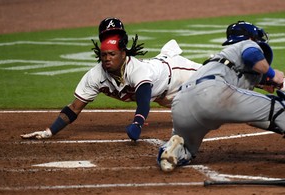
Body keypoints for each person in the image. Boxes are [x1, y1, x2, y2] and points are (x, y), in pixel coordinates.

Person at [21, 17, 201, 141]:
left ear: (123, 52)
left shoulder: (137, 69)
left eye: (112, 54)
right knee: (204, 107)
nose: (107, 58)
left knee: (219, 78)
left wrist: (137, 123)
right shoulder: (96, 75)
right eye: (104, 54)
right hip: (164, 97)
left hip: (177, 73)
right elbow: (74, 108)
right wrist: (49, 131)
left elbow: (144, 100)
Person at [157, 20, 285, 172]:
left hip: (181, 104)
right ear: (251, 37)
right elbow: (252, 56)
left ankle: (172, 150)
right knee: (277, 106)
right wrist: (273, 74)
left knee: (187, 150)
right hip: (212, 93)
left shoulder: (217, 64)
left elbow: (251, 117)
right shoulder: (246, 44)